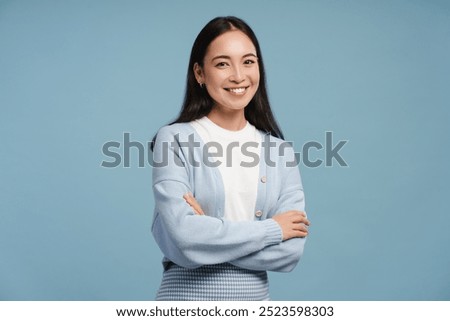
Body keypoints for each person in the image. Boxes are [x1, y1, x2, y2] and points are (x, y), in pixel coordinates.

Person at [151, 16, 310, 301]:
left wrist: (208, 237)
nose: (238, 75)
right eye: (222, 63)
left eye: (248, 61)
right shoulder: (173, 139)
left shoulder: (279, 152)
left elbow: (290, 253)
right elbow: (184, 238)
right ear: (200, 73)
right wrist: (274, 229)